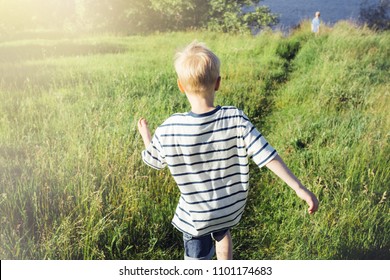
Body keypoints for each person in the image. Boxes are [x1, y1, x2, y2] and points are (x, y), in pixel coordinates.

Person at [137, 41, 319, 260]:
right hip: (227, 209)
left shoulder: (170, 128)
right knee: (222, 232)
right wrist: (298, 187)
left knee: (197, 257)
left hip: (196, 217)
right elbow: (267, 154)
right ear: (218, 83)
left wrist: (147, 137)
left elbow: (154, 160)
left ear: (180, 86)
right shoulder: (235, 118)